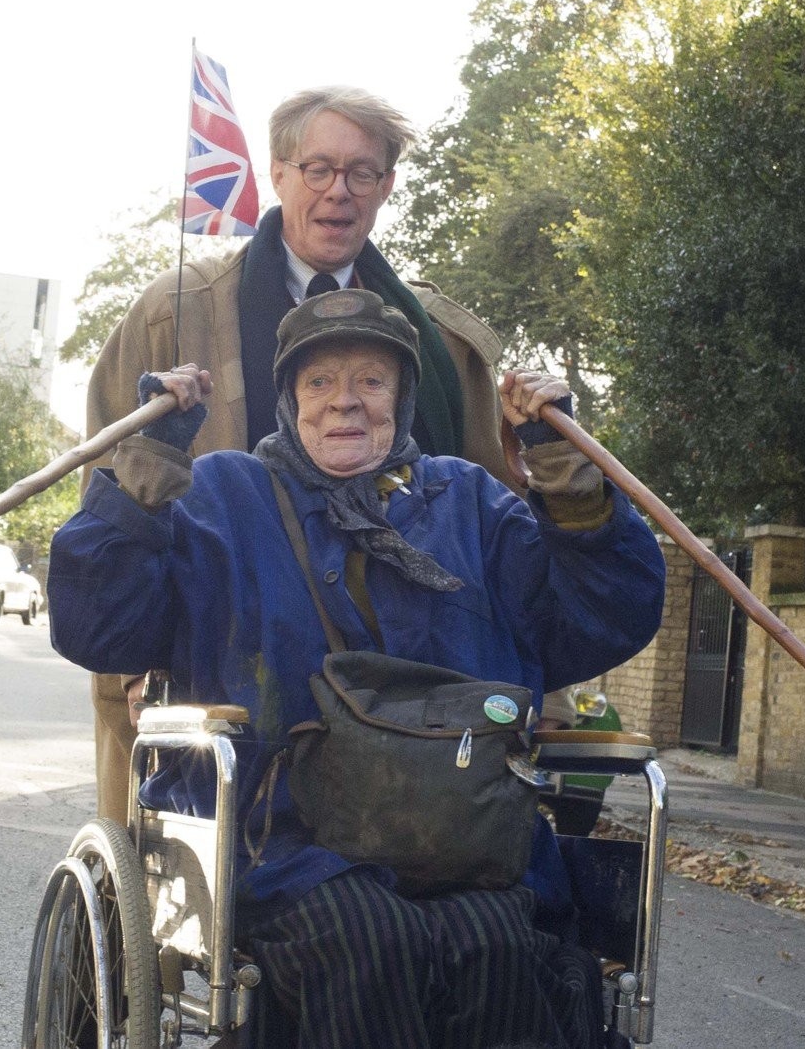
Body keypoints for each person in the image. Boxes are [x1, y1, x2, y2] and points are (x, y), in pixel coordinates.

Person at [51, 290, 666, 1049]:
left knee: (498, 947)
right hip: (280, 840)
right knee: (364, 938)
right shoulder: (220, 498)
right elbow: (99, 630)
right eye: (320, 382)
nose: (345, 402)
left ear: (402, 399)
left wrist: (570, 481)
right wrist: (144, 474)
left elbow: (600, 619)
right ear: (289, 398)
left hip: (464, 838)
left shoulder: (470, 503)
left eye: (371, 381)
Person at [84, 85, 511, 821]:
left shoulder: (445, 342)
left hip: (404, 678)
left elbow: (503, 523)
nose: (337, 192)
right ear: (277, 174)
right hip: (212, 657)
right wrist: (134, 658)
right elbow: (110, 493)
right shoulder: (174, 314)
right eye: (317, 169)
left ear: (387, 187)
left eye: (361, 173)